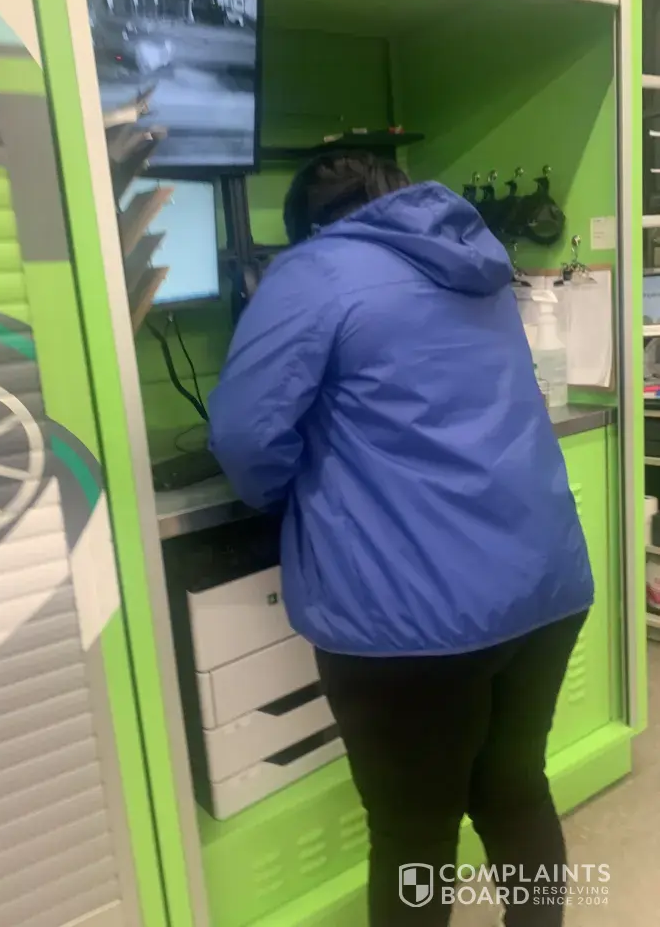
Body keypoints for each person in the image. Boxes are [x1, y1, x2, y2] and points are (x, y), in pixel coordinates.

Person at [208, 152, 593, 927]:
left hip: (412, 616)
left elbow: (246, 439)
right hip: (543, 585)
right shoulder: (477, 263)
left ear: (308, 224)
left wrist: (287, 494)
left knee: (412, 830)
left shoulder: (313, 271)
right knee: (515, 784)